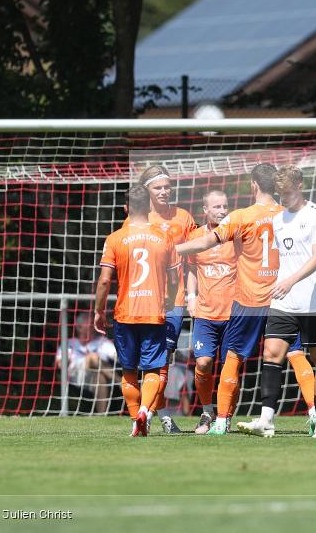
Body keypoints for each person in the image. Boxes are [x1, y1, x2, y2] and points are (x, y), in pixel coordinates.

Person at [177, 164, 316, 435]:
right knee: (296, 354)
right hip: (283, 299)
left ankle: (220, 422)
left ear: (254, 184)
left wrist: (173, 248)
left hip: (249, 299)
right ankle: (314, 413)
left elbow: (205, 243)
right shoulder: (289, 215)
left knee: (234, 358)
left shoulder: (241, 216)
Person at [237, 165, 316, 438]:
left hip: (314, 304)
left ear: (300, 186)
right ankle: (266, 420)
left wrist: (290, 281)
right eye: (280, 194)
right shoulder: (278, 220)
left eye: (288, 193)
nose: (284, 198)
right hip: (283, 302)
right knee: (271, 353)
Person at [94, 185, 179, 437]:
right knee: (152, 369)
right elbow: (175, 279)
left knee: (129, 370)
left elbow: (104, 281)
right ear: (150, 207)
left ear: (126, 208)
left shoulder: (115, 238)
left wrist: (99, 311)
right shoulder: (164, 237)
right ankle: (144, 410)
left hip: (125, 313)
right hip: (153, 312)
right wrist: (169, 300)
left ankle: (135, 421)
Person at [140, 165, 197, 434]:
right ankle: (154, 413)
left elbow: (196, 257)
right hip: (145, 299)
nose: (164, 191)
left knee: (165, 358)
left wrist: (194, 294)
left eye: (167, 187)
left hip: (175, 299)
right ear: (147, 190)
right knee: (150, 359)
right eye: (158, 187)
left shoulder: (183, 217)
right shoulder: (138, 218)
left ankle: (155, 414)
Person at [185, 189, 237, 433]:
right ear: (205, 210)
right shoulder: (196, 236)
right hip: (205, 313)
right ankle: (207, 412)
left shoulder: (236, 235)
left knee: (230, 367)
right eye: (217, 206)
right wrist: (191, 297)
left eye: (225, 206)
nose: (222, 210)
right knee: (203, 362)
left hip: (233, 314)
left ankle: (225, 416)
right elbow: (192, 269)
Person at [56, 312, 117, 414]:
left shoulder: (102, 342)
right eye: (90, 324)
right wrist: (64, 361)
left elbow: (117, 357)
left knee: (100, 377)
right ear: (79, 327)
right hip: (76, 377)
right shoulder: (69, 343)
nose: (94, 326)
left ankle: (102, 416)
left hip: (96, 377)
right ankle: (120, 382)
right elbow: (59, 364)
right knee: (92, 357)